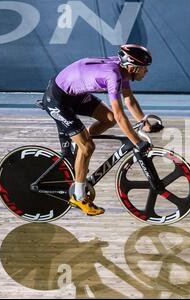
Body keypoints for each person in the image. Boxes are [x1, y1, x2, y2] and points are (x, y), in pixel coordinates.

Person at [41, 44, 155, 216]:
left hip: (75, 94)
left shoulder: (123, 69)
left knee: (106, 120)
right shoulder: (113, 75)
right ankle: (78, 197)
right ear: (132, 67)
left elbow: (129, 100)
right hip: (59, 99)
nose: (146, 72)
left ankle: (78, 144)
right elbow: (119, 115)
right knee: (88, 147)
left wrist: (144, 122)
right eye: (144, 69)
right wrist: (137, 142)